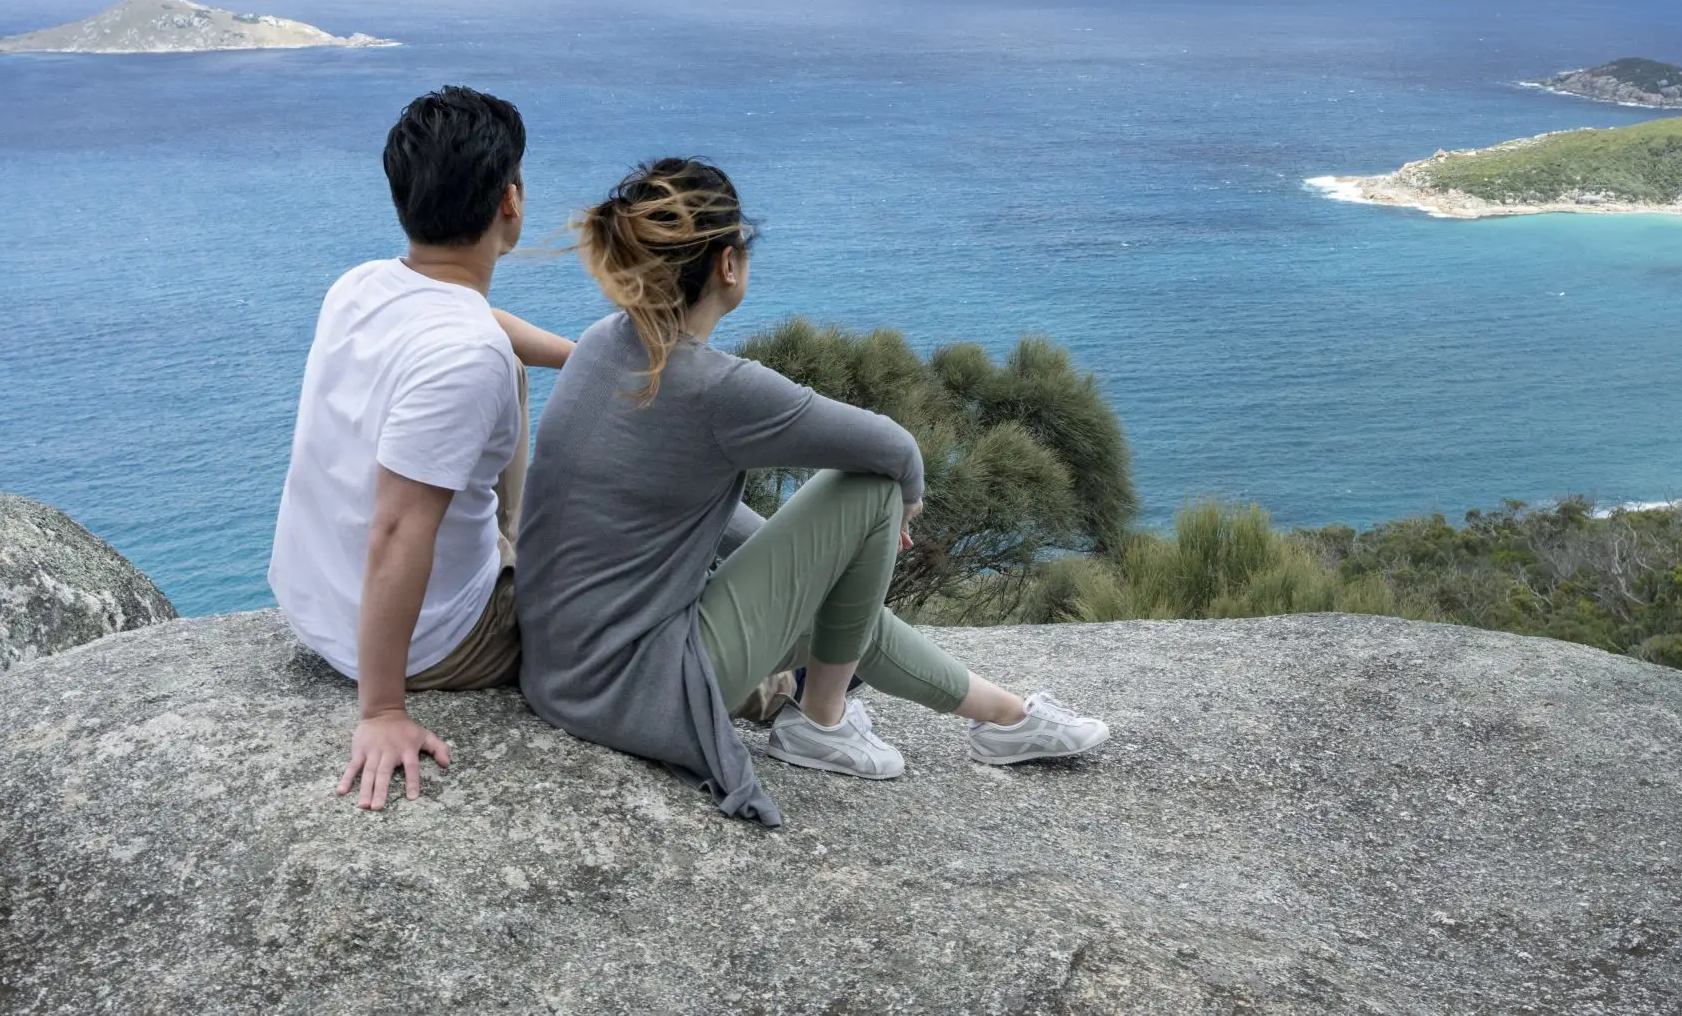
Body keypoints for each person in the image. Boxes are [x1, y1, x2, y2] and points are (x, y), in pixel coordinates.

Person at [515, 157, 1108, 826]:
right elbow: (895, 450)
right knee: (871, 489)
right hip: (638, 689)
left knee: (836, 590)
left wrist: (822, 565)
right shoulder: (715, 386)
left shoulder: (602, 344)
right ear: (728, 264)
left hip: (561, 672)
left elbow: (689, 520)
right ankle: (822, 722)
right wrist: (896, 510)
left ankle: (1007, 717)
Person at [267, 85, 576, 812]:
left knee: (510, 364)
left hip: (315, 602)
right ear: (511, 201)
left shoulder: (362, 284)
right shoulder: (468, 357)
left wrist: (582, 354)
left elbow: (476, 317)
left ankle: (509, 542)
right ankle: (781, 687)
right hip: (438, 642)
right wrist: (381, 710)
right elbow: (399, 529)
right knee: (616, 588)